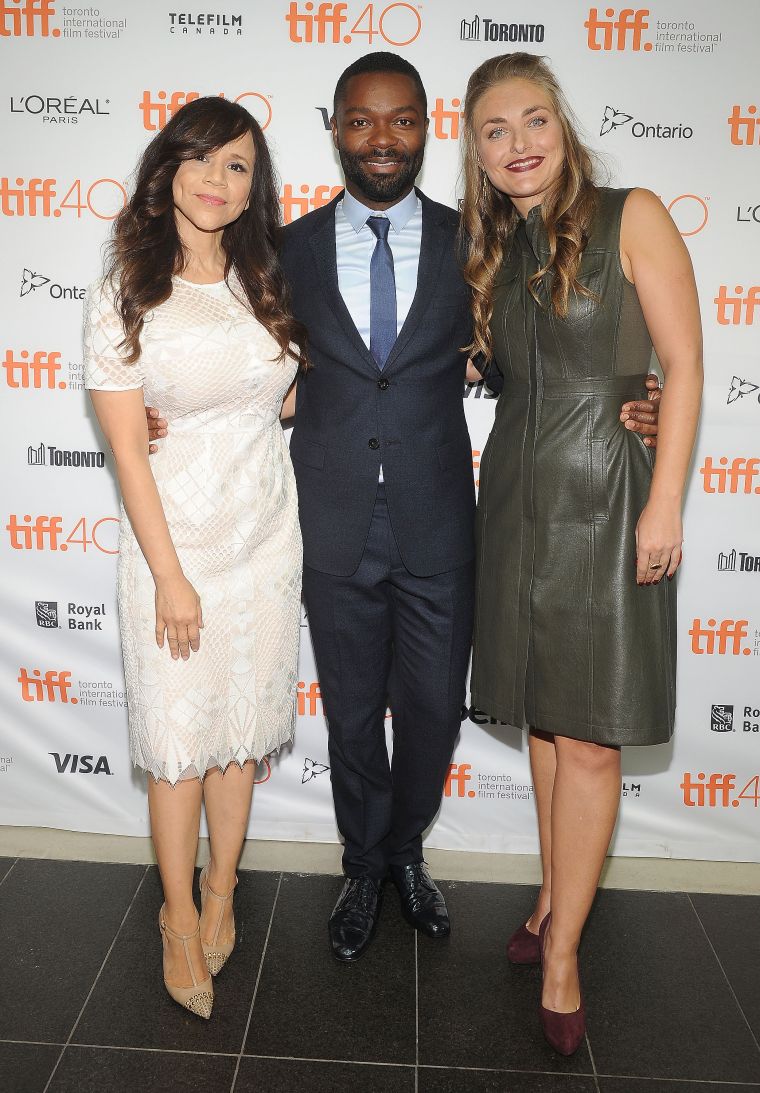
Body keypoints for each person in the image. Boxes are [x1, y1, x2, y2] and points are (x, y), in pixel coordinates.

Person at [146, 53, 660, 964]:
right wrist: (165, 407)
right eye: (361, 120)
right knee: (349, 718)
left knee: (429, 713)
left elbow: (535, 356)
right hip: (329, 524)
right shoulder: (286, 248)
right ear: (336, 128)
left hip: (441, 525)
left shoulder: (480, 242)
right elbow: (233, 354)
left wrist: (635, 389)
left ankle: (407, 853)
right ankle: (361, 865)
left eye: (403, 120)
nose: (382, 138)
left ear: (428, 129)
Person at [460, 53, 702, 1054]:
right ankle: (552, 899)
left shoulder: (631, 213)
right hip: (517, 502)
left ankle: (562, 954)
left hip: (609, 495)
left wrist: (665, 505)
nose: (516, 143)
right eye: (492, 130)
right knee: (551, 729)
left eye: (531, 121)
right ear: (476, 151)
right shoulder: (494, 249)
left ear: (561, 126)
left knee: (593, 733)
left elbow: (683, 366)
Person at [83, 96, 306, 1018]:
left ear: (256, 187)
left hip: (265, 536)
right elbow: (129, 447)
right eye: (202, 161)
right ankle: (178, 916)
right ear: (168, 169)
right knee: (178, 747)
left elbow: (286, 397)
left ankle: (223, 896)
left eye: (239, 166)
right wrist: (171, 574)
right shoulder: (127, 289)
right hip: (174, 545)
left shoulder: (268, 276)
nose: (219, 181)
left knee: (240, 736)